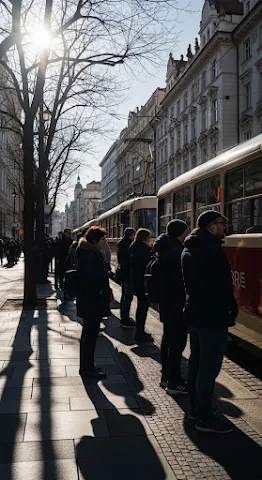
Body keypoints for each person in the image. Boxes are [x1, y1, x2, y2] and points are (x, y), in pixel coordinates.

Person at [181, 210, 238, 434]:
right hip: (212, 317)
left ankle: (196, 409)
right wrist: (229, 309)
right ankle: (204, 417)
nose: (225, 227)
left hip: (196, 313)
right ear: (212, 226)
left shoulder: (191, 246)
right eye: (222, 223)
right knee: (209, 367)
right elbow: (220, 287)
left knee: (196, 362)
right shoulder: (210, 249)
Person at [154, 219, 188, 394]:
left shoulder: (165, 249)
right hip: (176, 304)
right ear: (181, 233)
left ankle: (166, 376)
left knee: (168, 339)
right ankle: (174, 382)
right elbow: (180, 282)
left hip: (167, 303)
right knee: (177, 342)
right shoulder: (177, 253)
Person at [76, 226, 110, 379]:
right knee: (90, 335)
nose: (105, 242)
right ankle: (88, 369)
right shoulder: (91, 256)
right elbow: (92, 281)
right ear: (95, 240)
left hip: (90, 301)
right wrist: (101, 293)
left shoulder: (89, 253)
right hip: (92, 302)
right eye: (103, 239)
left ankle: (87, 366)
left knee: (88, 335)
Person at [130, 228, 153, 343]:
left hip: (137, 281)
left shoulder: (134, 246)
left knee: (141, 308)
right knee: (142, 309)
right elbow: (146, 264)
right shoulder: (143, 248)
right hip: (142, 282)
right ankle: (140, 334)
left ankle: (140, 332)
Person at [117, 227, 136, 328]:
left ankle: (124, 317)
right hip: (127, 273)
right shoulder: (127, 245)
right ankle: (125, 319)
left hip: (124, 273)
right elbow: (128, 260)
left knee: (125, 296)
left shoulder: (123, 243)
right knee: (127, 297)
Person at [56, 228, 73, 293]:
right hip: (62, 259)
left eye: (70, 233)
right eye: (69, 233)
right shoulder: (61, 241)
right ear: (65, 233)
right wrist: (58, 259)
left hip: (68, 259)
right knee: (61, 272)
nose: (70, 234)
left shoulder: (70, 241)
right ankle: (61, 284)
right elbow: (58, 250)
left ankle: (66, 285)